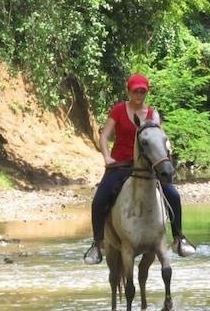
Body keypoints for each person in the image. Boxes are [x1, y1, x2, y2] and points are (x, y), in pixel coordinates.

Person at [83, 73, 196, 265]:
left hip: (147, 166)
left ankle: (179, 238)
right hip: (120, 164)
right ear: (129, 91)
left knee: (173, 195)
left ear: (147, 92)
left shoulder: (153, 114)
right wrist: (107, 157)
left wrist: (167, 147)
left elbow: (162, 137)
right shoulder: (118, 110)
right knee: (99, 200)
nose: (139, 94)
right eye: (136, 91)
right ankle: (97, 243)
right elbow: (104, 136)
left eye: (143, 91)